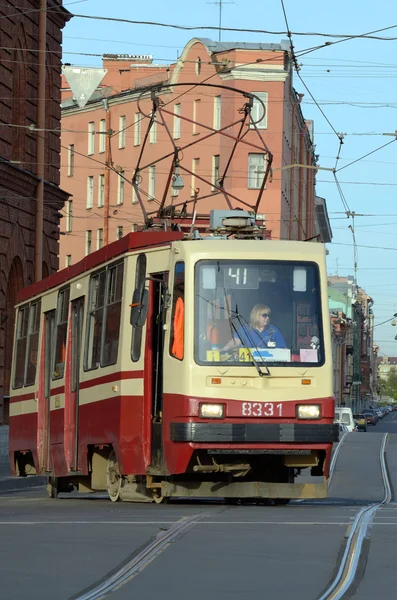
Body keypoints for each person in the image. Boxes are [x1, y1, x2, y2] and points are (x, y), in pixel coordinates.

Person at [222, 303, 286, 351]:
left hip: (270, 365)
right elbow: (235, 341)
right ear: (256, 316)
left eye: (268, 315)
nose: (267, 318)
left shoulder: (274, 330)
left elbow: (284, 350)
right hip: (249, 365)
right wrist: (225, 348)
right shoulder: (245, 329)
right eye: (264, 315)